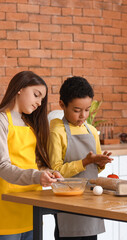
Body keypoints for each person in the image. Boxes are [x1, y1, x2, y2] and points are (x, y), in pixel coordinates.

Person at [48, 76, 113, 240]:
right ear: (62, 105)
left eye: (87, 109)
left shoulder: (91, 131)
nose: (83, 115)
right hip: (67, 203)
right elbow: (56, 172)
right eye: (77, 110)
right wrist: (85, 162)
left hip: (91, 200)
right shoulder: (57, 131)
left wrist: (100, 163)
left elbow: (94, 169)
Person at [0, 71, 62, 239]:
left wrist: (48, 172)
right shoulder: (2, 121)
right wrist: (37, 176)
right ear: (20, 88)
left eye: (42, 99)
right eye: (36, 95)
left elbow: (32, 162)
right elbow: (2, 167)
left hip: (32, 206)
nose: (39, 103)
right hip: (6, 209)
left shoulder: (29, 123)